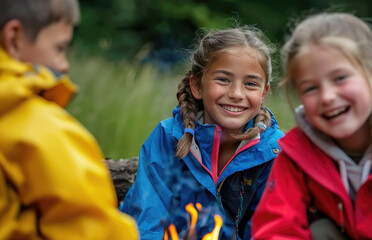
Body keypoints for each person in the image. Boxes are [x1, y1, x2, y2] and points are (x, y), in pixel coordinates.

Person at [252, 12, 372, 240]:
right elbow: (276, 229)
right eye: (310, 88)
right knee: (319, 230)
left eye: (340, 78)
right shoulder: (296, 154)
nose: (327, 96)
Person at [120, 26, 284, 240]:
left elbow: (268, 230)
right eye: (223, 79)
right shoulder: (168, 137)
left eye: (250, 84)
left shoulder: (274, 151)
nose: (236, 93)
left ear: (264, 93)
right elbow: (147, 221)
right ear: (197, 85)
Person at [0, 0, 138, 239]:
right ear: (14, 39)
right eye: (59, 48)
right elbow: (95, 231)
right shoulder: (39, 128)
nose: (64, 65)